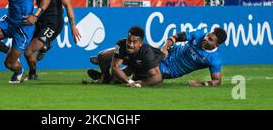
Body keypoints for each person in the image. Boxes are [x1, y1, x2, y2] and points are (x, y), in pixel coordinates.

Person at [88, 26, 227, 88]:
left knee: (136, 65)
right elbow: (176, 36)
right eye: (208, 35)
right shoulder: (200, 35)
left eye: (210, 39)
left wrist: (202, 84)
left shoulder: (214, 59)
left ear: (217, 44)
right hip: (165, 54)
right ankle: (111, 70)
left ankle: (109, 75)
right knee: (138, 57)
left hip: (169, 70)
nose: (206, 38)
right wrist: (165, 47)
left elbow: (217, 80)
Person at [23, 0, 81, 80]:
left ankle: (33, 73)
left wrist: (73, 27)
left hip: (53, 23)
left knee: (29, 52)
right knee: (27, 51)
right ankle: (41, 54)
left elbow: (67, 5)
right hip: (38, 19)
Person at [87, 26, 164, 86]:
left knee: (131, 76)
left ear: (140, 44)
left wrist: (140, 84)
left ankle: (110, 78)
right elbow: (114, 67)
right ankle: (106, 77)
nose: (130, 44)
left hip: (148, 66)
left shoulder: (147, 51)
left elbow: (157, 77)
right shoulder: (121, 44)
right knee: (102, 56)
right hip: (133, 61)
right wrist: (129, 81)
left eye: (134, 42)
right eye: (129, 40)